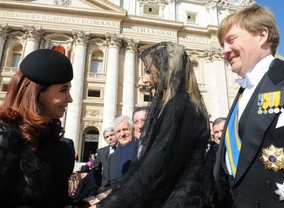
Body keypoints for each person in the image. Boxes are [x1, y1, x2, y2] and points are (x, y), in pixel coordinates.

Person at [87, 41, 211, 207]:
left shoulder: (178, 106)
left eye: (148, 72)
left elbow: (153, 167)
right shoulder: (181, 105)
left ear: (165, 71)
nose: (144, 79)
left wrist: (105, 205)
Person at [214, 4, 284, 207]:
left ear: (262, 35)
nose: (224, 51)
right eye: (222, 44)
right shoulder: (243, 91)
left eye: (231, 40)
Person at [0, 49, 75, 207]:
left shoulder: (55, 142)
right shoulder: (5, 136)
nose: (70, 99)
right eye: (63, 90)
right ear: (38, 92)